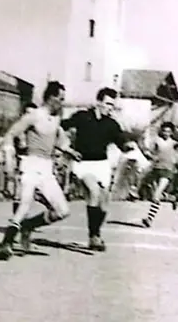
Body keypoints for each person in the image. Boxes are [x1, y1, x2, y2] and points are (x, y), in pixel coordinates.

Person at [0, 81, 79, 261]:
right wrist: (8, 156)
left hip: (47, 168)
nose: (62, 102)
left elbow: (57, 140)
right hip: (31, 165)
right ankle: (6, 243)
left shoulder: (56, 118)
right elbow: (10, 134)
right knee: (24, 205)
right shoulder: (33, 115)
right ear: (51, 97)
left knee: (63, 211)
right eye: (60, 99)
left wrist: (69, 151)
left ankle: (28, 226)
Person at [60, 87, 138, 252]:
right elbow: (61, 127)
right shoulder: (82, 117)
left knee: (104, 205)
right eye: (108, 104)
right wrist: (66, 148)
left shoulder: (112, 124)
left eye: (112, 105)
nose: (110, 108)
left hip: (102, 164)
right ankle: (94, 236)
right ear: (99, 102)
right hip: (83, 164)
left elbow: (120, 142)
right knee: (94, 192)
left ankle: (95, 233)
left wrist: (127, 146)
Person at [140, 121, 178, 228]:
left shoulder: (174, 143)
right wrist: (149, 155)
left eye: (169, 131)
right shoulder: (156, 141)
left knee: (156, 196)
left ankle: (149, 219)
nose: (166, 133)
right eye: (164, 131)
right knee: (155, 196)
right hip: (156, 170)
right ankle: (172, 198)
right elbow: (149, 151)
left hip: (168, 171)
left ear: (172, 132)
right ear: (161, 131)